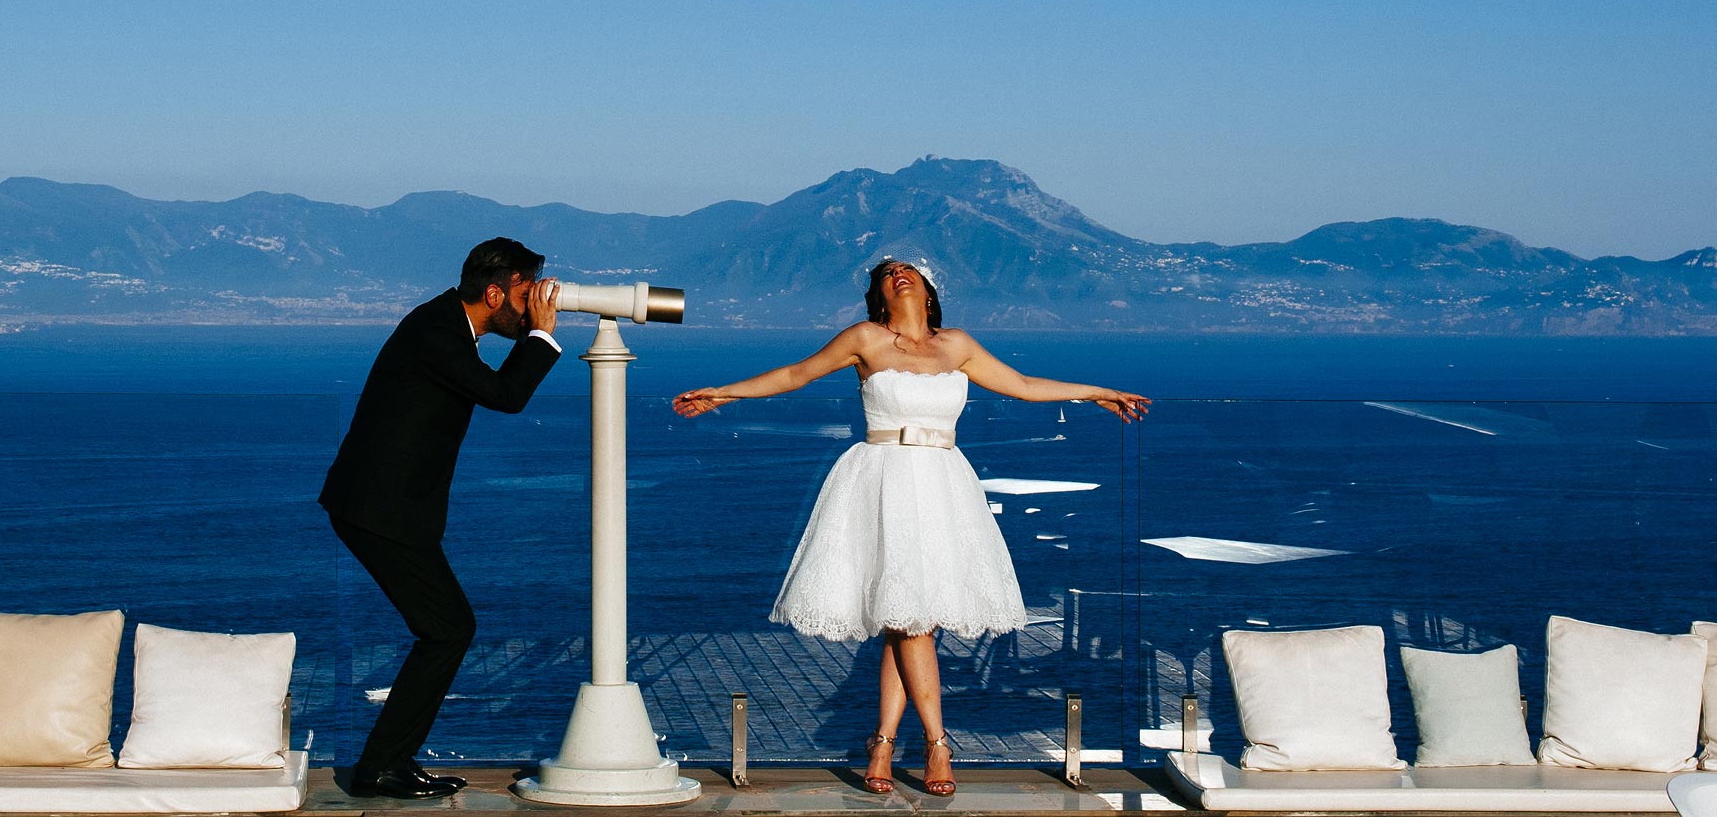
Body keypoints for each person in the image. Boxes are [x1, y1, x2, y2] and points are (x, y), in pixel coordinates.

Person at [671, 256, 1149, 797]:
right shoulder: (865, 339)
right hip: (881, 481)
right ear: (879, 295)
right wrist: (722, 392)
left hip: (944, 484)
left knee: (907, 619)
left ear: (927, 291)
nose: (899, 274)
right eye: (887, 273)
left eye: (909, 271)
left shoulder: (957, 345)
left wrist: (1096, 392)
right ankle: (937, 744)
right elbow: (793, 374)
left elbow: (1021, 383)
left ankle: (881, 743)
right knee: (913, 620)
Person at [320, 237, 564, 799]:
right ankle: (381, 766)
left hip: (388, 509)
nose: (531, 307)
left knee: (446, 628)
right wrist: (541, 335)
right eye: (526, 295)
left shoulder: (446, 327)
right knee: (449, 629)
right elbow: (506, 395)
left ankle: (388, 762)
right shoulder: (436, 332)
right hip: (376, 509)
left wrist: (532, 329)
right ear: (495, 291)